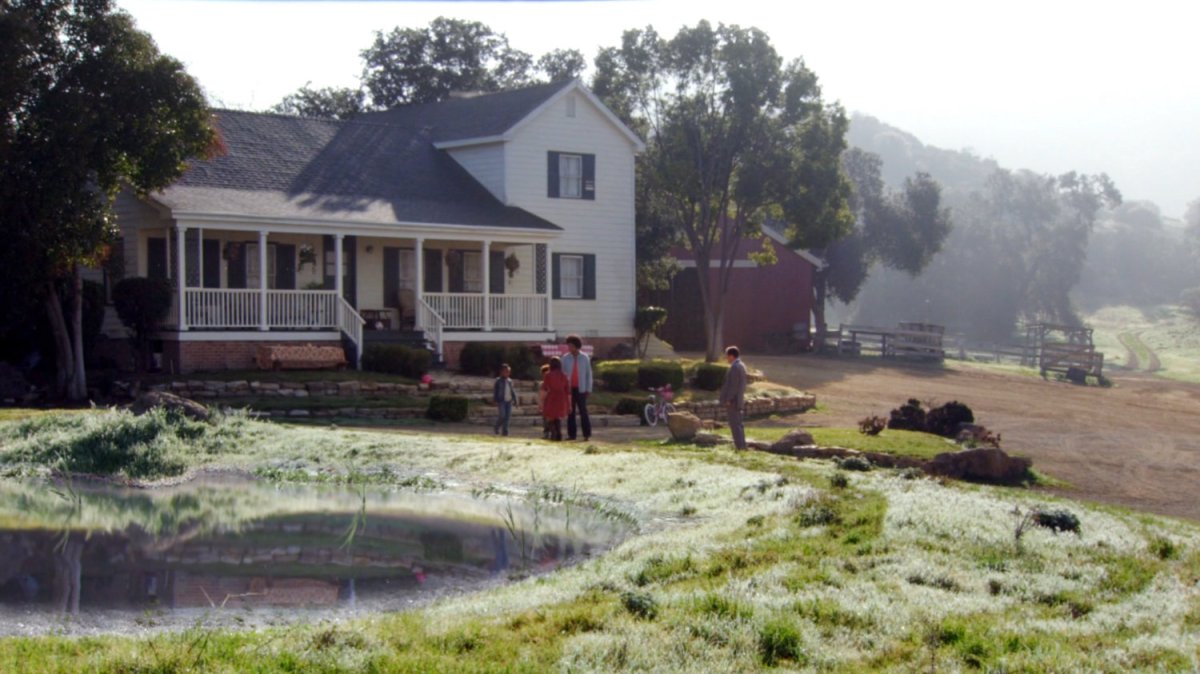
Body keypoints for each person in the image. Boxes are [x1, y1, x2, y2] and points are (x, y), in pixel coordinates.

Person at [560, 334, 593, 441]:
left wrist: (589, 388)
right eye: (568, 345)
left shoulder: (584, 358)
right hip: (570, 390)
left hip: (581, 388)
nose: (569, 348)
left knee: (583, 411)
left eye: (571, 345)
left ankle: (586, 434)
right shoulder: (565, 358)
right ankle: (571, 434)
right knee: (571, 412)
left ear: (576, 345)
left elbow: (589, 374)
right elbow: (562, 374)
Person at [719, 345, 748, 450]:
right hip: (738, 400)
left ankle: (740, 446)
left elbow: (733, 386)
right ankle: (742, 445)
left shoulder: (735, 367)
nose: (726, 358)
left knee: (735, 425)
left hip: (733, 401)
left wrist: (728, 399)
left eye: (727, 356)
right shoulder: (741, 365)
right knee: (738, 424)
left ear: (731, 356)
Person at [541, 357, 571, 441]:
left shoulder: (548, 375)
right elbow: (568, 391)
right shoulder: (564, 376)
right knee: (557, 417)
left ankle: (553, 432)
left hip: (551, 397)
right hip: (561, 398)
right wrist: (569, 404)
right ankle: (559, 433)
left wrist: (541, 401)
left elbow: (544, 389)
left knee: (550, 417)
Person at [492, 363, 517, 436]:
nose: (507, 373)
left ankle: (505, 431)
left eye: (508, 371)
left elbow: (512, 391)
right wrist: (494, 400)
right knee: (502, 415)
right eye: (506, 371)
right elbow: (496, 391)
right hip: (501, 400)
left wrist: (515, 400)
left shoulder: (510, 381)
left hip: (509, 401)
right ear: (502, 372)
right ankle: (496, 427)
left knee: (507, 417)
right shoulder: (498, 381)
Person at [537, 363, 551, 439]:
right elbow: (540, 395)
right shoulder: (542, 384)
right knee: (545, 419)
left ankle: (552, 431)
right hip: (545, 404)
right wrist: (540, 405)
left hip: (551, 403)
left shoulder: (552, 383)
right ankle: (546, 433)